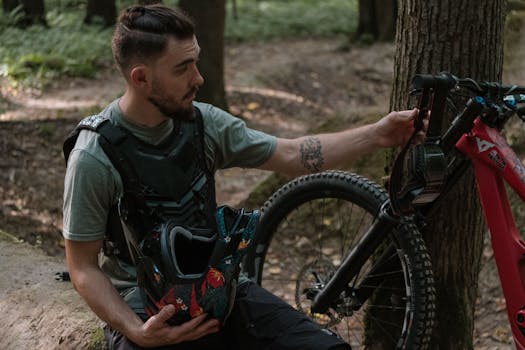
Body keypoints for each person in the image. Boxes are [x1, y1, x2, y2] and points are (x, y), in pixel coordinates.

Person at [62, 4, 423, 350]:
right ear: (141, 77)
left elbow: (292, 154)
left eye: (196, 62)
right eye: (182, 68)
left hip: (223, 290)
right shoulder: (95, 155)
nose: (199, 78)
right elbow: (82, 268)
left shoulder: (205, 124)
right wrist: (136, 331)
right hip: (146, 308)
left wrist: (379, 134)